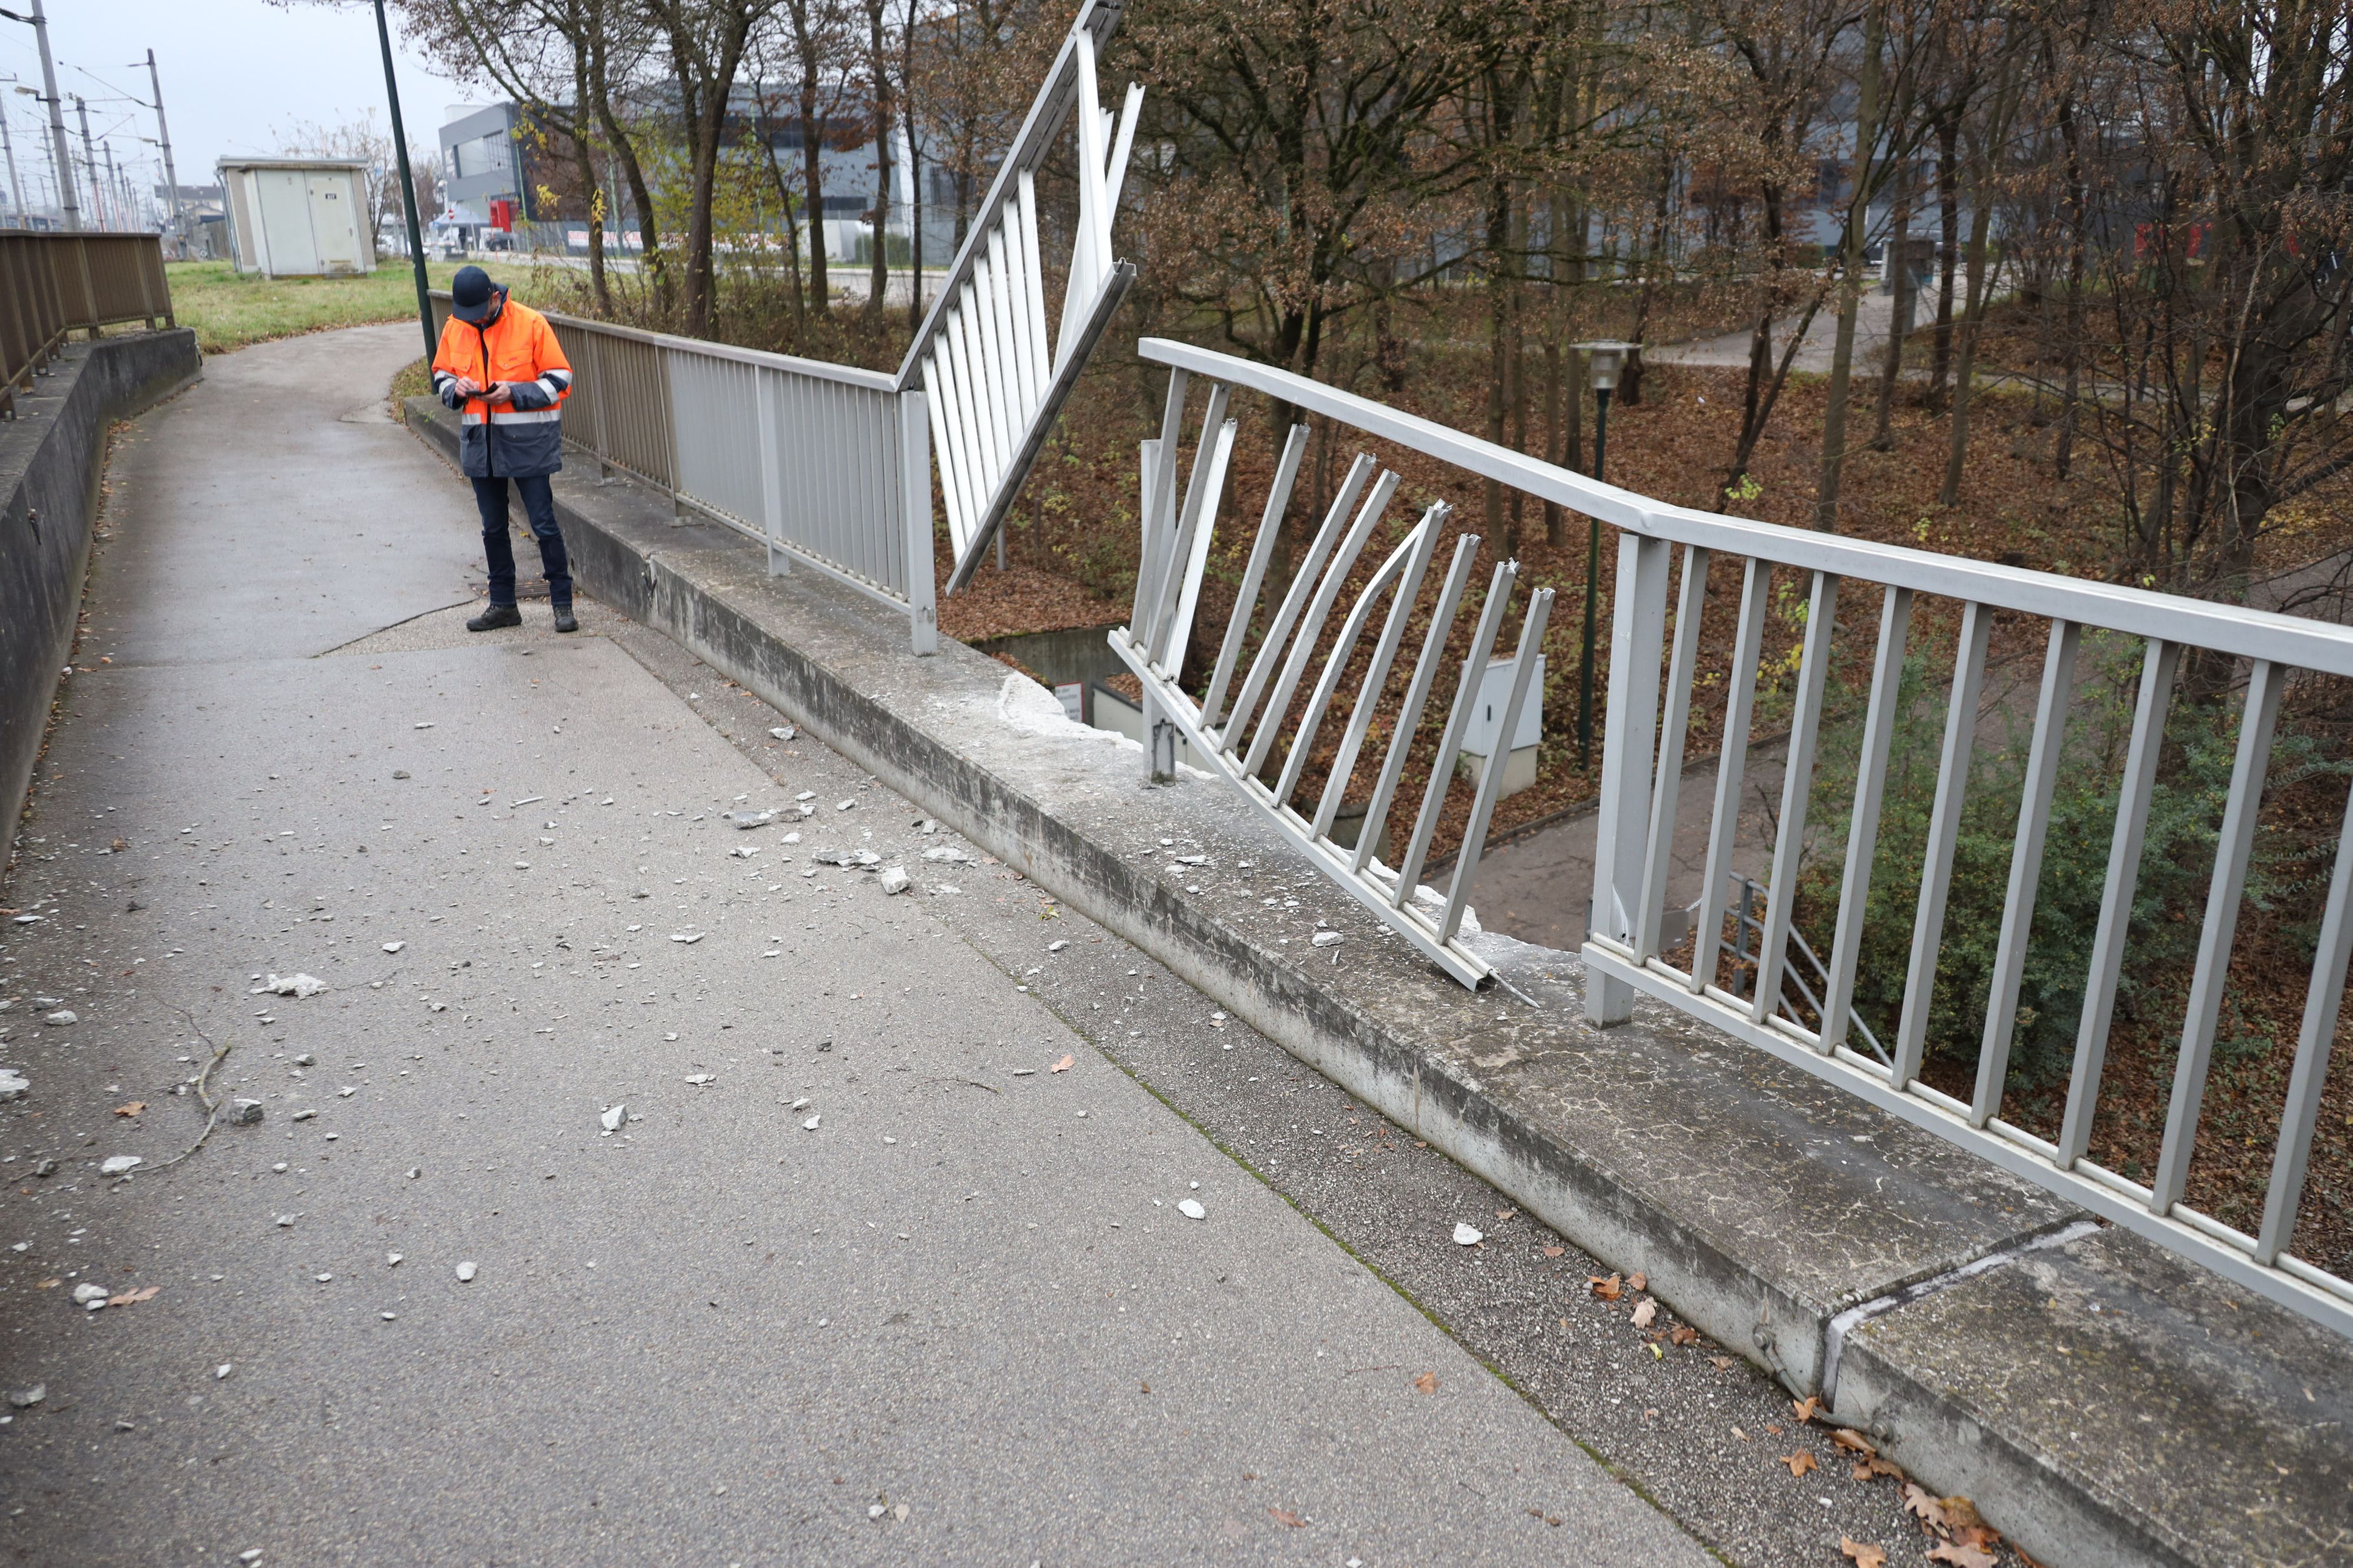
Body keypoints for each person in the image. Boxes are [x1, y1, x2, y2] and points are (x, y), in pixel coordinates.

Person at [431, 265, 578, 633]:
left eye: (480, 313)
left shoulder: (530, 323)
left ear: (495, 298)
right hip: (482, 445)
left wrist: (513, 392)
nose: (475, 321)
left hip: (529, 443)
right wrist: (456, 390)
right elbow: (441, 374)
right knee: (492, 527)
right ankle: (503, 606)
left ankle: (562, 605)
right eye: (468, 316)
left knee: (543, 524)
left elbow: (561, 379)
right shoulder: (456, 326)